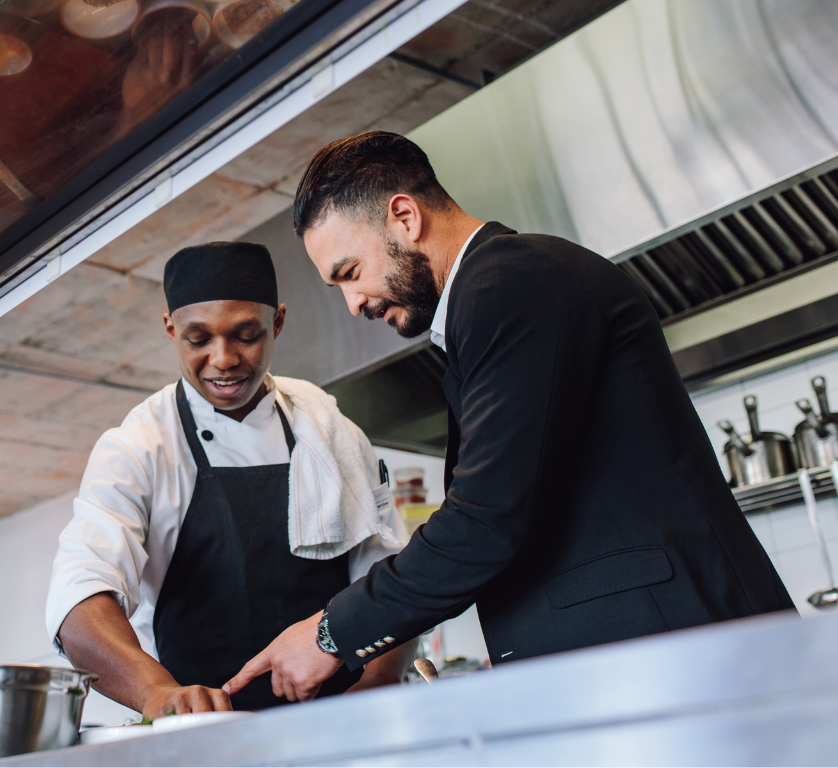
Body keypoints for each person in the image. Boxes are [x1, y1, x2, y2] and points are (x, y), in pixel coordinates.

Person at [224, 131, 795, 702]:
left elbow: (488, 518)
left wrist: (330, 633)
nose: (354, 305)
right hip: (641, 664)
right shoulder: (490, 300)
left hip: (675, 658)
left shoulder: (511, 281)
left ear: (403, 216)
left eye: (349, 272)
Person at [47, 242, 414, 717]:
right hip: (206, 732)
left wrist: (380, 681)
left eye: (246, 335)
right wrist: (155, 693)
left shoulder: (330, 430)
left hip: (343, 720)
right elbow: (79, 599)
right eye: (198, 339)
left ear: (277, 322)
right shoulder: (138, 447)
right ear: (170, 328)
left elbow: (388, 575)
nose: (223, 359)